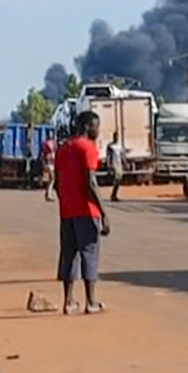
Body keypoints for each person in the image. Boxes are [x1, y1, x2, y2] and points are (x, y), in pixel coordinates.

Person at [52, 111, 110, 315]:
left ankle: (68, 302)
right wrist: (103, 212)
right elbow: (91, 182)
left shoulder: (63, 149)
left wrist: (65, 202)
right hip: (87, 211)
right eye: (96, 126)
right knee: (89, 254)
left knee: (68, 254)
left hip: (67, 212)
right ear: (87, 126)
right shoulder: (88, 148)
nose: (98, 130)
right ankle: (91, 301)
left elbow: (57, 183)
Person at [40, 134, 58, 202]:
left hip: (49, 162)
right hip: (50, 163)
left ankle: (48, 194)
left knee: (51, 179)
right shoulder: (53, 143)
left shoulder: (45, 143)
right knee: (52, 178)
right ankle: (48, 195)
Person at [106, 136, 125, 204]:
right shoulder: (111, 146)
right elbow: (108, 156)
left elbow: (122, 156)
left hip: (119, 164)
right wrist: (109, 165)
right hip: (114, 164)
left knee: (119, 180)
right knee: (116, 179)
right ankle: (113, 195)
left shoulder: (119, 146)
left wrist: (125, 163)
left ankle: (114, 194)